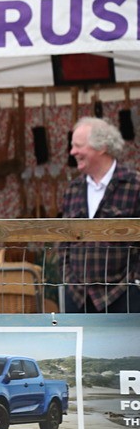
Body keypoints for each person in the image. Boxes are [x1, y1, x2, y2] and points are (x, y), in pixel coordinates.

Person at [60, 117, 140, 313]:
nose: (72, 152)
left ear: (102, 147)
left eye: (78, 146)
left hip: (123, 295)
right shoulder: (72, 189)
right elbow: (62, 241)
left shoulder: (135, 185)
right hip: (77, 297)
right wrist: (68, 278)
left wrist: (135, 281)